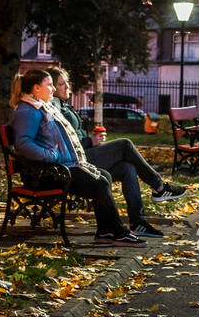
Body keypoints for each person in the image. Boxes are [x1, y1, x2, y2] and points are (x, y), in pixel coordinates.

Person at [9, 68, 144, 247]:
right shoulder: (28, 110)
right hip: (44, 174)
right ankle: (117, 233)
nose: (53, 89)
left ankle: (106, 232)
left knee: (104, 176)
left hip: (57, 168)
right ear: (36, 88)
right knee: (100, 182)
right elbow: (23, 143)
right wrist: (51, 155)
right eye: (49, 85)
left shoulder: (41, 107)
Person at [47, 66, 186, 238]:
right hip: (76, 162)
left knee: (128, 167)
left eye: (67, 82)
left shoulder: (64, 105)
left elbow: (74, 137)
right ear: (51, 88)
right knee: (125, 144)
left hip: (86, 154)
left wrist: (92, 141)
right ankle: (159, 186)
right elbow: (65, 144)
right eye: (61, 84)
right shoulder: (54, 106)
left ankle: (138, 221)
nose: (67, 87)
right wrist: (90, 141)